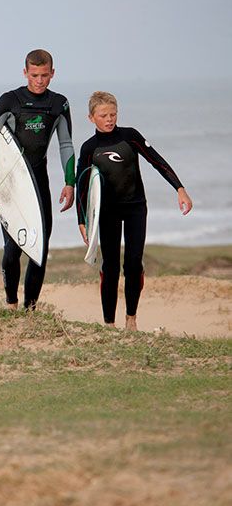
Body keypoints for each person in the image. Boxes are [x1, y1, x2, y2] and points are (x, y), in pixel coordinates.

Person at [75, 91, 192, 330]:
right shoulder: (90, 148)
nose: (109, 119)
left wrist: (179, 188)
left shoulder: (130, 136)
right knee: (110, 266)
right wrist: (83, 220)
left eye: (113, 114)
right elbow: (83, 187)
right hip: (108, 212)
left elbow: (156, 160)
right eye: (103, 115)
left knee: (133, 262)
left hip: (135, 207)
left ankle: (131, 319)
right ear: (91, 118)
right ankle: (109, 323)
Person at [0, 49, 76, 310]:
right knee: (12, 249)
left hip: (39, 181)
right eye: (34, 75)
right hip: (10, 185)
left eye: (45, 75)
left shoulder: (59, 104)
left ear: (52, 73)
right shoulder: (10, 100)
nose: (40, 80)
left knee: (40, 249)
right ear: (25, 72)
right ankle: (11, 302)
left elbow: (66, 144)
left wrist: (70, 182)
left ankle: (30, 309)